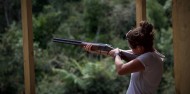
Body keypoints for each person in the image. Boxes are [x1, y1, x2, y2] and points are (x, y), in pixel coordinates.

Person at [83, 21, 164, 94]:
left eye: (132, 48)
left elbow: (120, 70)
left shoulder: (148, 58)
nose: (131, 50)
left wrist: (117, 54)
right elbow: (117, 52)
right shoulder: (152, 55)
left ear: (140, 48)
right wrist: (97, 51)